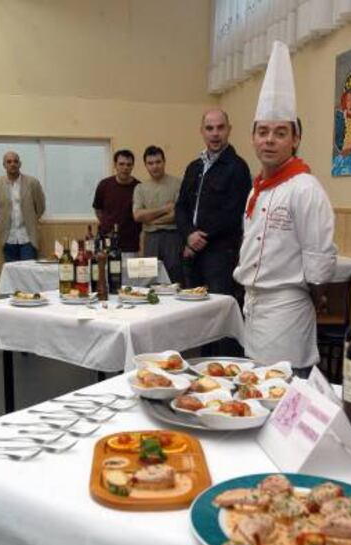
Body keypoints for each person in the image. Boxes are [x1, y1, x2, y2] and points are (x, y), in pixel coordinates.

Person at [233, 41, 337, 376]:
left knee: (283, 393)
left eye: (280, 133)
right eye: (262, 132)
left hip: (287, 310)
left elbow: (319, 267)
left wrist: (312, 296)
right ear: (252, 138)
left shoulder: (305, 189)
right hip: (253, 305)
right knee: (255, 390)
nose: (269, 140)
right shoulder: (257, 189)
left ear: (295, 139)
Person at [175, 109, 252, 296]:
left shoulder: (238, 167)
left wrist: (199, 239)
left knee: (218, 311)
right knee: (191, 311)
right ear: (202, 131)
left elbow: (234, 212)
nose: (215, 133)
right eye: (209, 128)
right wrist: (189, 235)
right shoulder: (194, 167)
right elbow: (181, 206)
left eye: (220, 128)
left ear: (229, 130)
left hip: (221, 255)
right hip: (191, 253)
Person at [132, 146, 183, 284]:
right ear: (146, 165)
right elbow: (137, 216)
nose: (155, 166)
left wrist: (151, 220)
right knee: (148, 281)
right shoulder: (140, 188)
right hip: (150, 239)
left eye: (158, 162)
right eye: (150, 163)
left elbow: (176, 215)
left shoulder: (178, 184)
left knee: (175, 279)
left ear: (164, 162)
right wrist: (164, 209)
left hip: (173, 238)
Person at [0, 151, 46, 262]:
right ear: (4, 165)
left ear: (20, 164)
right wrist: (1, 220)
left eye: (15, 161)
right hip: (8, 238)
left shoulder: (32, 183)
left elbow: (41, 206)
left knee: (28, 273)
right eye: (9, 162)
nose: (12, 164)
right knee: (12, 275)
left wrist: (32, 219)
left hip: (28, 238)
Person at [92, 149, 141, 252]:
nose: (125, 168)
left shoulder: (139, 187)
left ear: (132, 166)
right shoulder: (104, 185)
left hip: (130, 244)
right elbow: (98, 210)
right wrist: (107, 224)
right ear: (115, 165)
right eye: (121, 164)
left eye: (129, 164)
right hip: (106, 242)